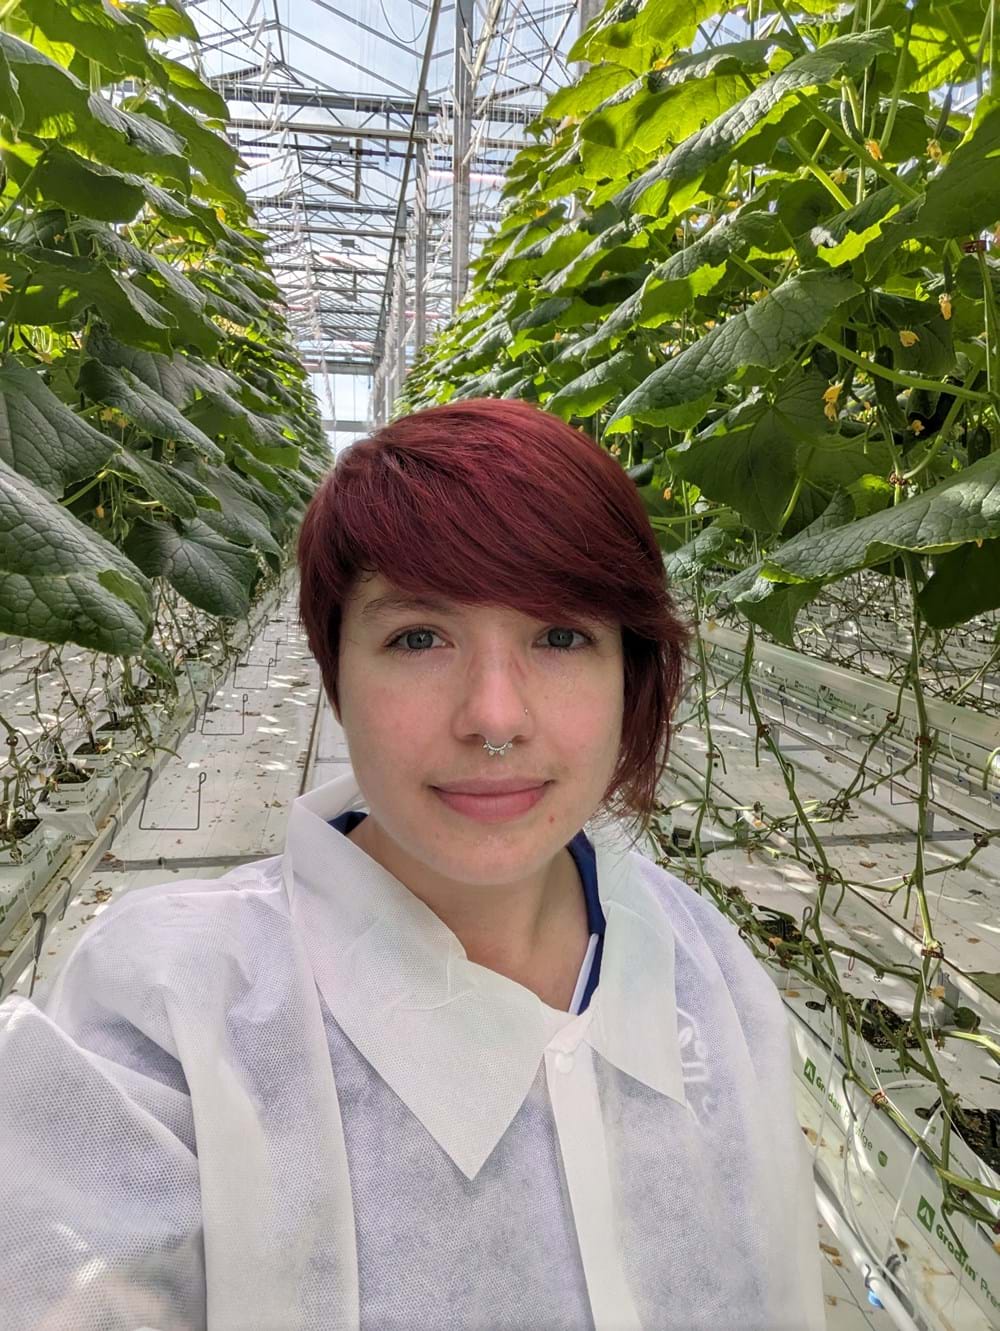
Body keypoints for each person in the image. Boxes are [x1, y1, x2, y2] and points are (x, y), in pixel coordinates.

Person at [0, 397, 826, 1330]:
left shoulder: (714, 971)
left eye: (561, 635)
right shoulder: (168, 1014)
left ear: (630, 674)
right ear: (335, 675)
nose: (495, 717)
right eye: (419, 638)